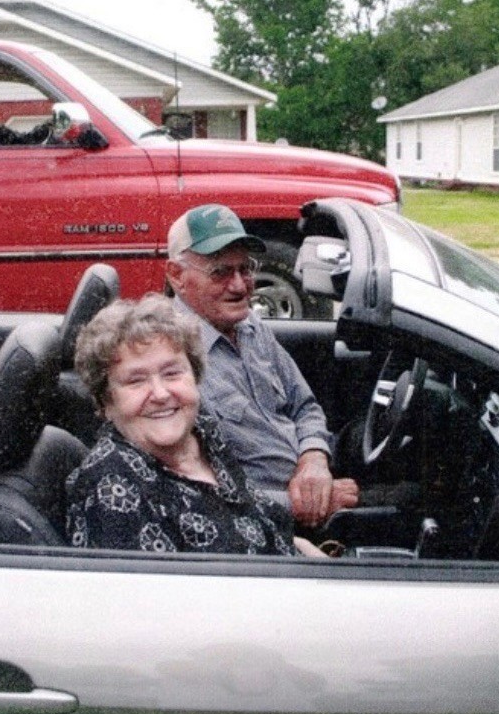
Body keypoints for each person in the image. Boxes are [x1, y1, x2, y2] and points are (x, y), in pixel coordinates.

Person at [65, 294, 324, 557]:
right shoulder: (112, 489)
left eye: (172, 373)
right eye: (136, 381)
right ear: (106, 401)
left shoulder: (202, 433)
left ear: (196, 376)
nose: (161, 394)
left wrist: (301, 549)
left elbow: (253, 515)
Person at [164, 204, 359, 528]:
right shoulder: (170, 360)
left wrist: (313, 458)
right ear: (176, 275)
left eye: (246, 269)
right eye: (220, 272)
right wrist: (299, 504)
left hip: (315, 474)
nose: (240, 286)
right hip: (265, 520)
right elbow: (193, 490)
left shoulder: (250, 325)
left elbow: (304, 405)